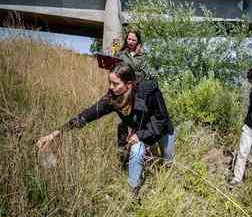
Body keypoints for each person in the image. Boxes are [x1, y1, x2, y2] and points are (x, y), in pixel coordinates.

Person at [37, 63, 175, 197]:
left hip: (161, 129)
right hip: (140, 131)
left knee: (168, 160)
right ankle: (133, 191)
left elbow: (161, 119)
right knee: (136, 151)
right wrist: (57, 133)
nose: (111, 87)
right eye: (110, 82)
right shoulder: (112, 97)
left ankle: (166, 182)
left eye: (115, 84)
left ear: (129, 84)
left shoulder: (149, 90)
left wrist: (141, 134)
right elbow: (88, 114)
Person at [229, 67, 252, 189]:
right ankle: (237, 179)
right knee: (242, 152)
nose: (251, 82)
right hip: (248, 127)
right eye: (250, 80)